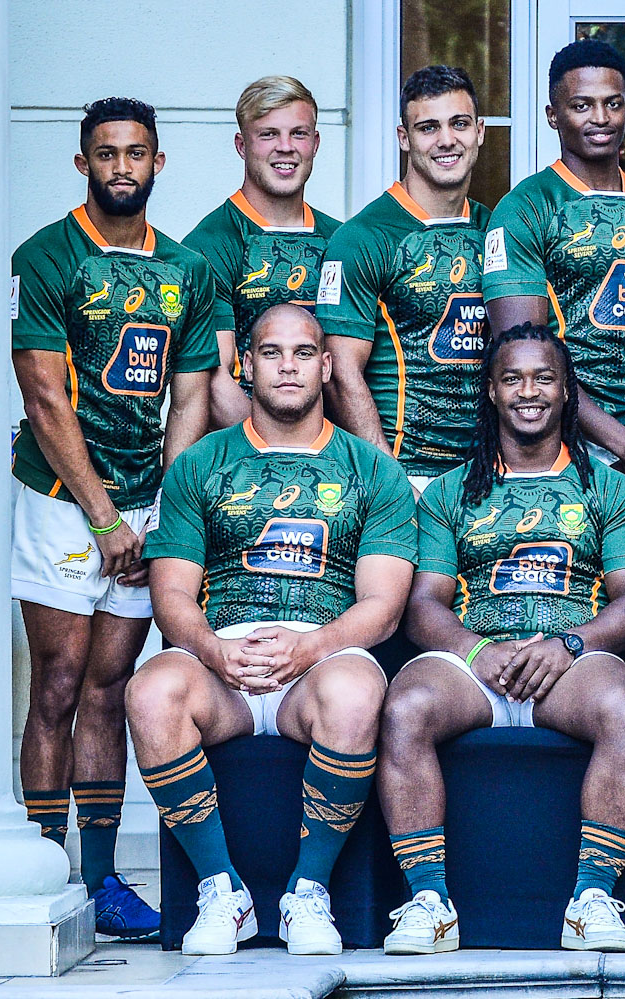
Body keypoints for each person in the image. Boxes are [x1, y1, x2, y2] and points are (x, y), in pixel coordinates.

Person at [126, 305, 415, 956]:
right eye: (272, 352)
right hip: (222, 663)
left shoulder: (373, 470)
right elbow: (170, 593)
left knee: (355, 692)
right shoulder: (199, 464)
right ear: (246, 366)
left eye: (304, 352)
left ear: (328, 366)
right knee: (150, 690)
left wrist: (311, 646)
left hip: (318, 659)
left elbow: (384, 605)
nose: (289, 366)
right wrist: (213, 649)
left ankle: (307, 893)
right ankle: (222, 892)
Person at [377, 323, 625, 955]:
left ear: (567, 391)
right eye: (512, 379)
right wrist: (477, 651)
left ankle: (592, 899)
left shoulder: (609, 488)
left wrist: (569, 644)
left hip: (570, 666)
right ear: (491, 392)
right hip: (475, 665)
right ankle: (428, 902)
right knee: (405, 706)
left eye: (543, 378)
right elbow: (424, 605)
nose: (528, 392)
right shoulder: (450, 491)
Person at [9, 96, 216, 940]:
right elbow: (43, 399)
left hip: (142, 505)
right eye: (106, 153)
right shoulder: (46, 255)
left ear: (157, 162)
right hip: (64, 503)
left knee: (109, 686)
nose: (121, 167)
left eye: (135, 153)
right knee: (58, 682)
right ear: (82, 163)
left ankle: (99, 881)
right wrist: (102, 518)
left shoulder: (186, 268)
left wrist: (164, 510)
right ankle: (39, 871)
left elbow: (192, 395)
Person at [483, 39, 625, 493]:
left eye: (614, 104)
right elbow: (522, 350)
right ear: (553, 115)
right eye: (582, 105)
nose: (601, 118)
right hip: (560, 444)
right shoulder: (525, 208)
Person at [318, 65, 492, 490]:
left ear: (480, 131)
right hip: (405, 471)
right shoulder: (362, 237)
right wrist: (391, 482)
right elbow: (340, 372)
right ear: (404, 138)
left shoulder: (495, 229)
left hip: (488, 475)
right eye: (428, 127)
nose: (446, 140)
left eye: (459, 124)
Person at [185, 75, 343, 429]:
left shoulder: (341, 240)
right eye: (269, 134)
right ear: (242, 145)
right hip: (243, 451)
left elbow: (351, 367)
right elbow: (213, 380)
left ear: (315, 143)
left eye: (298, 133)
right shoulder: (210, 244)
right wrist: (282, 447)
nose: (285, 147)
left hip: (331, 452)